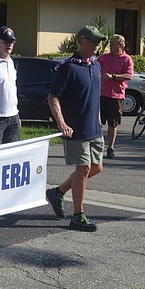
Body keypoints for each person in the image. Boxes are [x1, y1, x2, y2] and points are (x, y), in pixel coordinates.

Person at [46, 25, 106, 232]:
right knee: (83, 169)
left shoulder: (95, 65)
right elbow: (53, 96)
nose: (97, 44)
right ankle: (78, 216)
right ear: (81, 41)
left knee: (96, 167)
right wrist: (61, 123)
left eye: (99, 41)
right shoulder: (68, 67)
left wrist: (98, 118)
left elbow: (94, 95)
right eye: (93, 41)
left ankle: (58, 192)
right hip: (75, 128)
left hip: (94, 128)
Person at [97, 34, 133, 158]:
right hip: (101, 94)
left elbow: (129, 76)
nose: (110, 46)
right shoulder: (104, 57)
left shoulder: (126, 59)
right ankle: (96, 147)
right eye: (110, 43)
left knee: (113, 124)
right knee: (97, 122)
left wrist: (114, 76)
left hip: (116, 96)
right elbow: (93, 64)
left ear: (120, 45)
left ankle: (110, 148)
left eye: (112, 44)